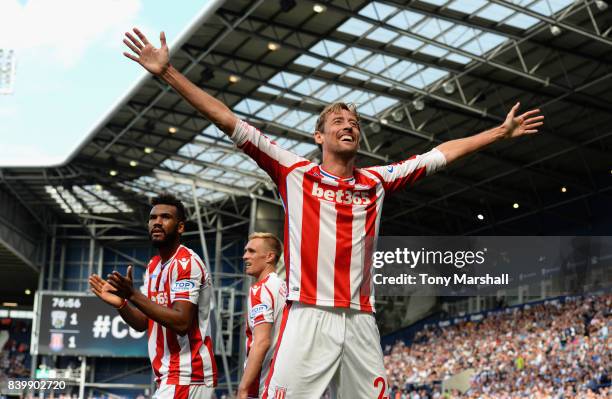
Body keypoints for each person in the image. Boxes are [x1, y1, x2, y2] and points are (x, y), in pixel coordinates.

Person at [121, 28, 544, 398]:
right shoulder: (293, 171)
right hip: (308, 314)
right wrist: (168, 74)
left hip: (361, 321)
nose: (349, 125)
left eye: (355, 123)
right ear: (318, 135)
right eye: (339, 120)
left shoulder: (377, 180)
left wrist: (499, 132)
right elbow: (228, 120)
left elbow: (441, 154)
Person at [89, 193, 217, 399]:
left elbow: (182, 322)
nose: (157, 222)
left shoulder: (186, 263)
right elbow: (143, 323)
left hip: (187, 374)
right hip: (169, 377)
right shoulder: (154, 266)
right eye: (153, 218)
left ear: (180, 227)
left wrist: (132, 294)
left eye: (165, 217)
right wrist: (121, 304)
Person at [237, 232, 287, 399]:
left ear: (269, 257)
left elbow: (262, 341)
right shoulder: (283, 287)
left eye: (251, 251)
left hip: (263, 383)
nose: (245, 256)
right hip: (282, 380)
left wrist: (243, 388)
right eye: (245, 251)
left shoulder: (260, 289)